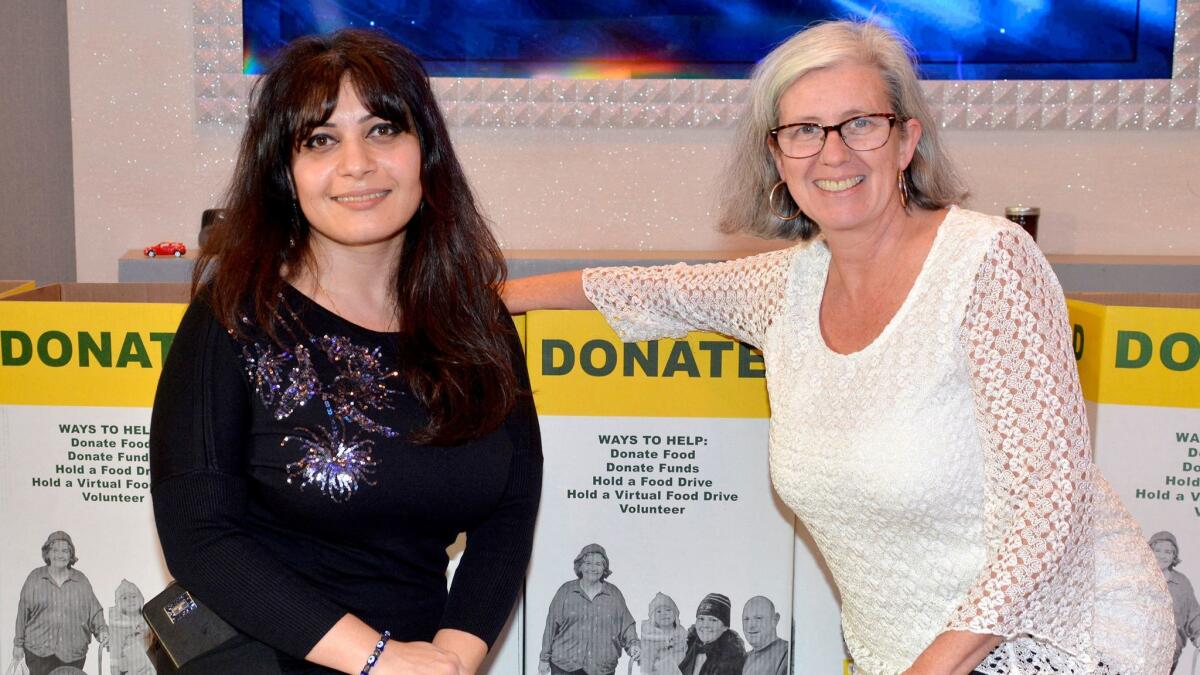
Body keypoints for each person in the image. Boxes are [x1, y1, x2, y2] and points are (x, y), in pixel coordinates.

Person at [504, 19, 1174, 675]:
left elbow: (1047, 510)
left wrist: (933, 667)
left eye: (861, 123)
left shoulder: (988, 263)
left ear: (906, 139)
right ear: (777, 156)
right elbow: (660, 291)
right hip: (902, 651)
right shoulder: (785, 284)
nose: (833, 153)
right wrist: (485, 297)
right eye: (804, 130)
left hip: (1058, 640)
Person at [148, 29, 542, 675]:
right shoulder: (233, 318)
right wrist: (379, 660)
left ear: (427, 153)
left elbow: (510, 512)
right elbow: (201, 537)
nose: (357, 163)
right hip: (264, 657)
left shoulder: (477, 318)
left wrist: (451, 656)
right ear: (284, 171)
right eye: (320, 140)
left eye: (383, 130)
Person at [12, 531, 109, 675]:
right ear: (48, 554)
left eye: (65, 550)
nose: (60, 554)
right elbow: (22, 613)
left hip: (72, 654)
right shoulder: (35, 578)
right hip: (38, 652)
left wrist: (102, 631)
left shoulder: (81, 581)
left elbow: (94, 611)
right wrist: (18, 644)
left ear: (71, 555)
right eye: (55, 550)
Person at [539, 544, 641, 675]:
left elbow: (626, 627)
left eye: (598, 564)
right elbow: (550, 627)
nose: (593, 568)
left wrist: (634, 645)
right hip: (564, 667)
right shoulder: (565, 591)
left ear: (604, 568)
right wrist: (544, 659)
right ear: (580, 566)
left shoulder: (614, 594)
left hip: (602, 669)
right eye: (587, 563)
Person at [1149, 531, 1200, 672]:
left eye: (1168, 551)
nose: (1162, 555)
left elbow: (1194, 614)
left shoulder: (1182, 583)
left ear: (1174, 556)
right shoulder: (1137, 579)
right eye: (1157, 550)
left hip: (1170, 655)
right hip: (1139, 654)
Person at [678, 594, 745, 675]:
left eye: (713, 620)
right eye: (701, 619)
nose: (705, 625)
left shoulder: (732, 659)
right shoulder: (686, 648)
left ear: (725, 627)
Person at [106, 580, 154, 675]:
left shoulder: (149, 618)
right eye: (124, 598)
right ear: (119, 604)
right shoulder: (117, 627)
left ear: (140, 598)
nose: (130, 600)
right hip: (133, 668)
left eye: (133, 596)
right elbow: (115, 654)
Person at [638, 592, 688, 675]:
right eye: (659, 611)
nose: (664, 614)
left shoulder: (682, 634)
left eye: (668, 610)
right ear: (653, 617)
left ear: (675, 614)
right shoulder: (649, 637)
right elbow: (646, 666)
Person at [740, 597, 786, 675]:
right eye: (746, 619)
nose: (751, 625)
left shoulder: (787, 653)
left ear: (775, 620)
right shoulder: (743, 659)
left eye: (758, 618)